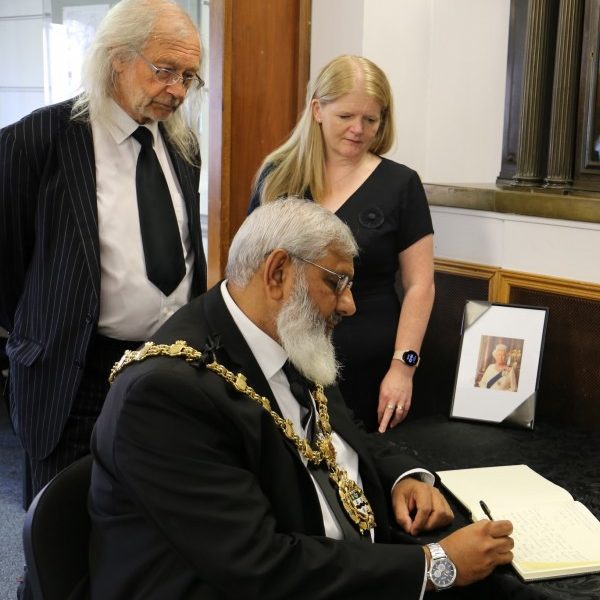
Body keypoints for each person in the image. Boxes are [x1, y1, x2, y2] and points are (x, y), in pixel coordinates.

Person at [89, 198, 514, 598]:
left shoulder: (284, 329)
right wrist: (435, 566)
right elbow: (259, 566)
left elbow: (345, 434)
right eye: (335, 282)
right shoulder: (166, 395)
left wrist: (403, 478)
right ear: (278, 273)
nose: (349, 305)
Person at [0, 0, 206, 510]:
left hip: (164, 369)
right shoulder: (36, 140)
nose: (177, 90)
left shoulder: (183, 149)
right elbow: (7, 270)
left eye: (189, 77)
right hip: (74, 373)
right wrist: (47, 329)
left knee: (143, 523)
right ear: (118, 57)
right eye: (164, 71)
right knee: (60, 532)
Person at [249, 55, 434, 434]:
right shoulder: (276, 177)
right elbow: (252, 271)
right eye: (346, 116)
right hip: (285, 359)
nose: (358, 130)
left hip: (372, 367)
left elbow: (421, 285)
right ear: (318, 109)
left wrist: (404, 366)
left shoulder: (401, 185)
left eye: (371, 119)